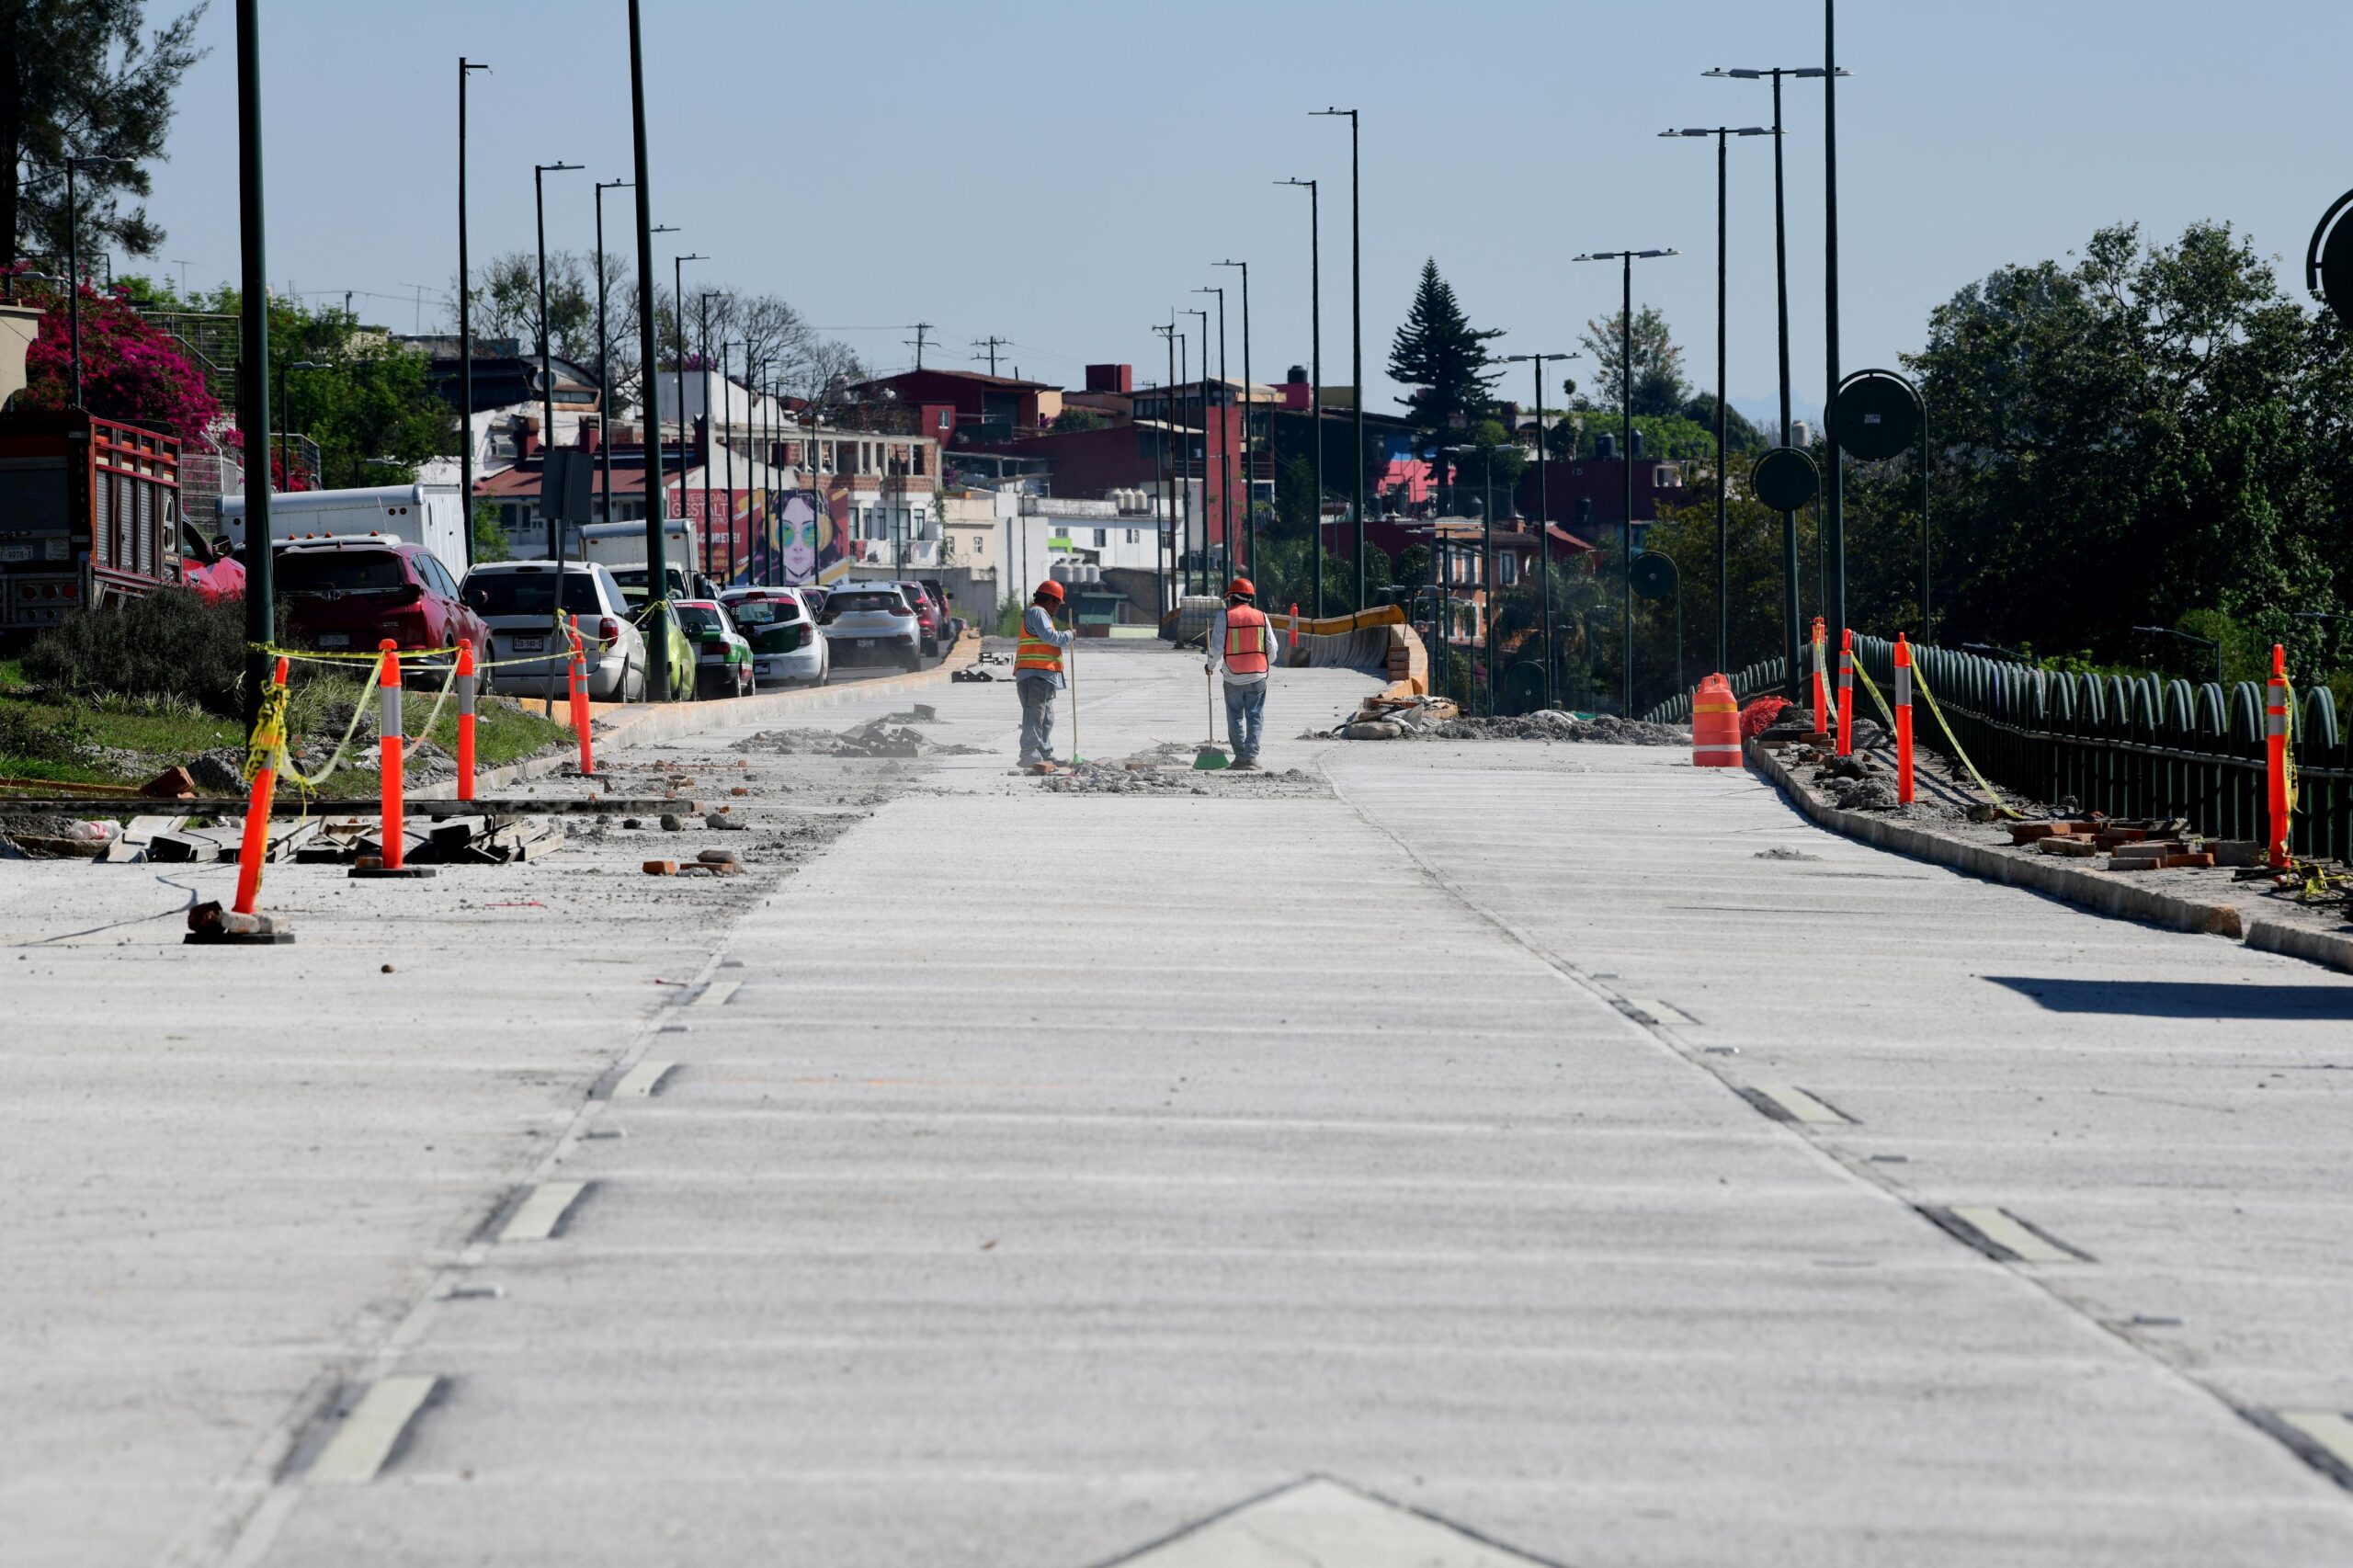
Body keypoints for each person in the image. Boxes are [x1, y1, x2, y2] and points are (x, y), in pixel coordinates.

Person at [1207, 576, 1273, 769]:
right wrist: (1263, 664)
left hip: (1233, 677)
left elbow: (1217, 647)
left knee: (1235, 716)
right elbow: (1273, 648)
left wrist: (1210, 666)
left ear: (1232, 598)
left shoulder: (1224, 616)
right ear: (1249, 598)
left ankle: (1240, 757)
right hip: (1258, 675)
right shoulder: (1262, 616)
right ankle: (1251, 757)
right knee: (1255, 715)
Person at [1014, 579, 1074, 771]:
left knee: (1046, 718)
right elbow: (1050, 638)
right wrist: (1069, 635)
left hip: (1043, 675)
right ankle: (1029, 756)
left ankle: (1044, 754)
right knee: (1035, 716)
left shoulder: (1041, 614)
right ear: (1050, 600)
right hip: (1035, 675)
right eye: (1057, 603)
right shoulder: (1038, 612)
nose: (1057, 608)